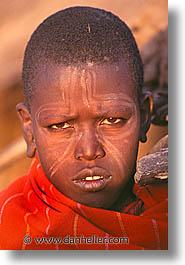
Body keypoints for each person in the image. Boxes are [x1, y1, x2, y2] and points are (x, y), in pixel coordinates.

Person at [0, 6, 167, 250]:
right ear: (29, 129)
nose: (89, 151)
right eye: (61, 125)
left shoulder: (172, 214)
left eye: (112, 120)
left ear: (144, 116)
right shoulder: (10, 232)